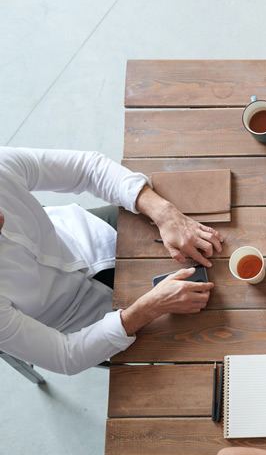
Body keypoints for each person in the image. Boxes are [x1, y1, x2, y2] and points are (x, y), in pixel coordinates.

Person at [0, 147, 222, 375]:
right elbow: (65, 356)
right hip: (85, 322)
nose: (2, 218)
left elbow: (87, 169)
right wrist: (150, 307)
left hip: (91, 233)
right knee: (195, 349)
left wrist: (164, 213)